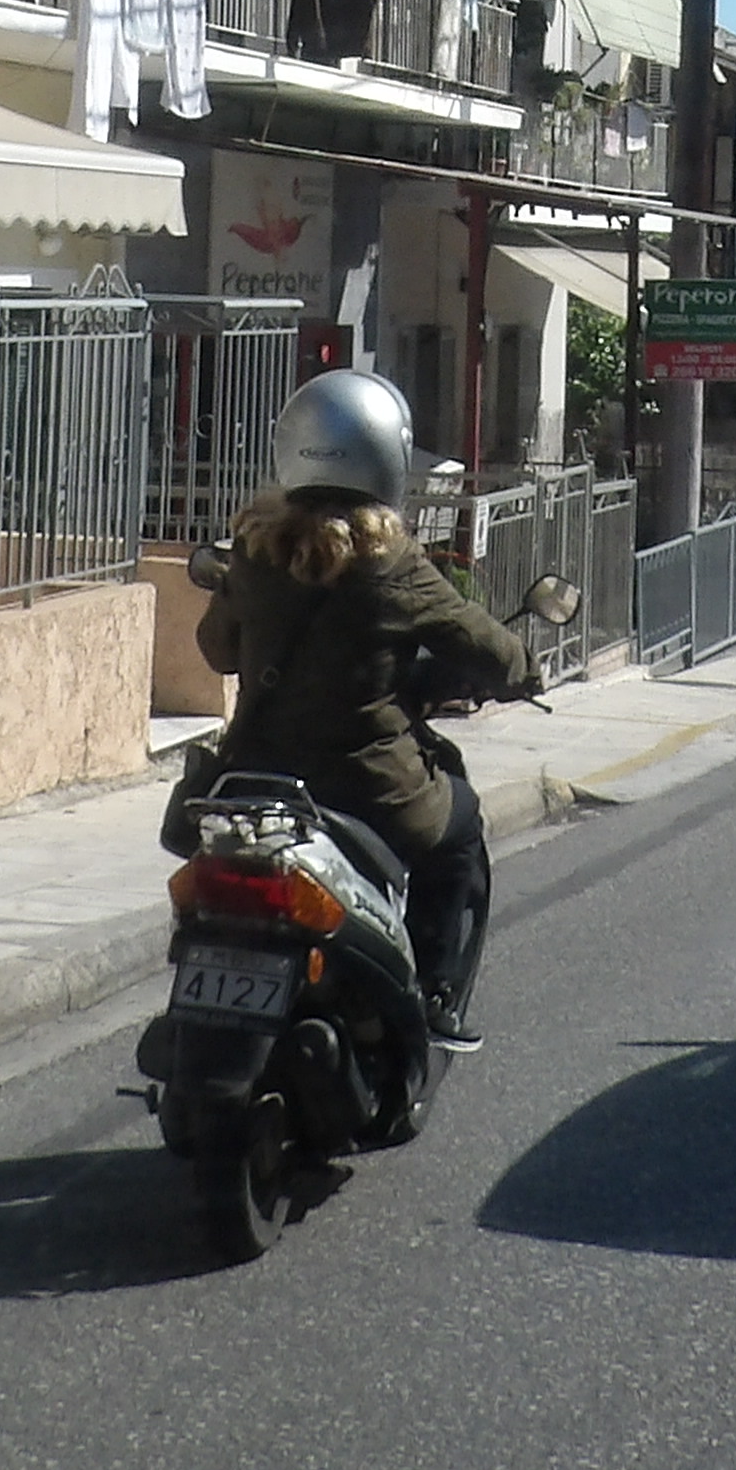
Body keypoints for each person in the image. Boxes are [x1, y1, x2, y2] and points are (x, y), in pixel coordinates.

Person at [197, 369, 536, 1043]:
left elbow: (217, 650)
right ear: (387, 453)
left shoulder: (256, 550)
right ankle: (436, 997)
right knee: (460, 831)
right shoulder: (392, 562)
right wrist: (526, 670)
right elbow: (491, 652)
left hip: (255, 778)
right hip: (370, 790)